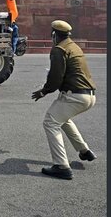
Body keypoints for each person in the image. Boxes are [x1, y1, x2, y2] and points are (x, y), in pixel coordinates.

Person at [31, 20, 97, 180]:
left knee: (50, 122)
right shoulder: (74, 46)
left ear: (54, 35)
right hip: (89, 96)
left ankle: (62, 166)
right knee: (62, 118)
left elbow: (55, 78)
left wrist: (43, 91)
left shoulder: (59, 49)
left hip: (74, 96)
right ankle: (84, 151)